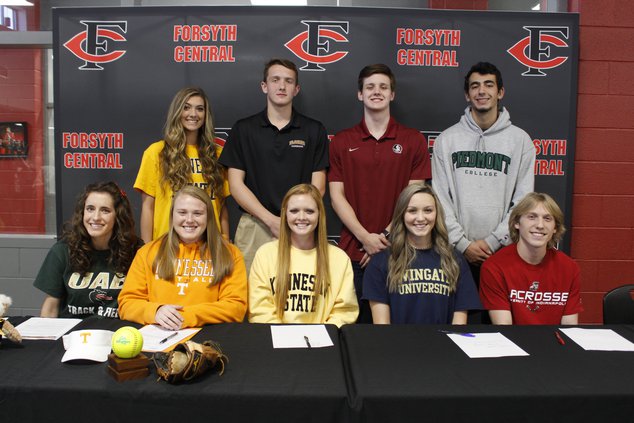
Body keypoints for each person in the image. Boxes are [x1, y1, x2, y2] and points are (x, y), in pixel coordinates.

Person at [329, 63, 431, 323]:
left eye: (383, 87)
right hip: (354, 252)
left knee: (398, 331)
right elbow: (336, 196)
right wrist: (365, 238)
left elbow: (414, 199)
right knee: (357, 331)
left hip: (401, 251)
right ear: (360, 94)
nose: (377, 91)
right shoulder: (342, 141)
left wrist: (383, 238)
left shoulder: (413, 140)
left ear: (392, 94)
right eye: (370, 87)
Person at [218, 58, 329, 272]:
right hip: (255, 224)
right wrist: (270, 220)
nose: (282, 86)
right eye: (275, 80)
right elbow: (236, 185)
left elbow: (319, 186)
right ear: (264, 86)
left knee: (301, 286)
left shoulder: (314, 130)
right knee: (251, 288)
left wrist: (292, 219)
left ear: (296, 89)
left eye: (288, 81)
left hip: (301, 224)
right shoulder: (244, 129)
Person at [432, 62, 535, 284]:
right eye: (475, 86)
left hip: (503, 251)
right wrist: (462, 244)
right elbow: (439, 198)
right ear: (467, 95)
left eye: (489, 85)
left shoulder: (520, 141)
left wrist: (494, 241)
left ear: (500, 92)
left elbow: (524, 201)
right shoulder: (447, 140)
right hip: (454, 252)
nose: (481, 91)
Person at [118, 185, 247, 329]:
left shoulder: (229, 254)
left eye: (197, 213)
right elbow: (127, 303)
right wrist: (155, 311)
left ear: (208, 216)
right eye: (182, 212)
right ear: (172, 215)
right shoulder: (148, 252)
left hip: (208, 337)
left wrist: (186, 316)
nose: (189, 220)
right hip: (160, 335)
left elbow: (236, 307)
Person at [363, 183, 481, 324]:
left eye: (428, 210)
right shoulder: (380, 262)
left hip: (443, 339)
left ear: (437, 214)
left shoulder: (455, 259)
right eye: (412, 211)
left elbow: (459, 327)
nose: (420, 218)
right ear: (402, 214)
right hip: (398, 339)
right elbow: (382, 328)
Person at [248, 184, 358, 327]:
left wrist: (318, 335)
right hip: (277, 338)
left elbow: (345, 311)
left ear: (320, 214)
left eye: (309, 211)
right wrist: (286, 336)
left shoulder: (339, 259)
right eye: (294, 211)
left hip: (323, 339)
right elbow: (260, 310)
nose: (301, 217)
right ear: (285, 214)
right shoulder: (265, 255)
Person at [34, 181, 142, 319]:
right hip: (72, 330)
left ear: (118, 215)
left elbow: (143, 302)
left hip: (117, 331)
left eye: (105, 210)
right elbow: (50, 308)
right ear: (82, 212)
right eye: (90, 209)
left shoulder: (136, 251)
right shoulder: (62, 251)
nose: (96, 217)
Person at [135, 87, 229, 244]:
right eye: (186, 107)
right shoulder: (157, 152)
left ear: (206, 115)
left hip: (209, 247)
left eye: (200, 109)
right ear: (177, 111)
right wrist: (146, 250)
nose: (193, 114)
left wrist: (225, 243)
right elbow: (148, 207)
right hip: (167, 246)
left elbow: (222, 208)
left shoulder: (217, 154)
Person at [479, 192, 583, 325]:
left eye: (547, 219)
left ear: (555, 228)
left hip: (554, 338)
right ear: (517, 223)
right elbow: (504, 327)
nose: (540, 225)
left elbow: (569, 328)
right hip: (513, 338)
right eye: (532, 217)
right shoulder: (494, 267)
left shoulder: (569, 268)